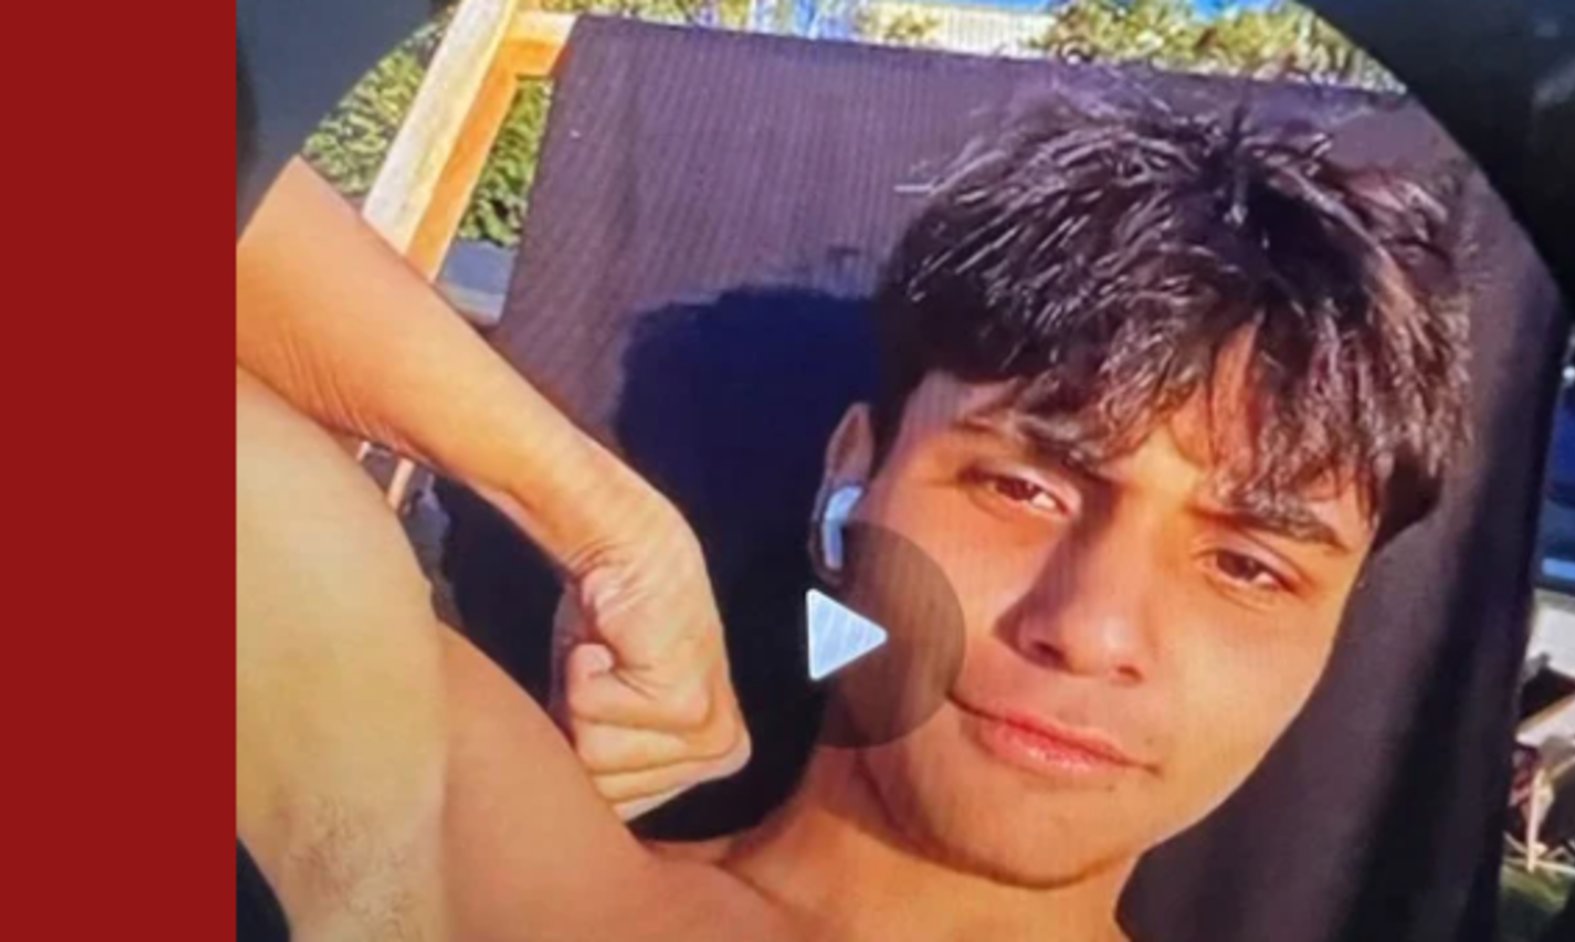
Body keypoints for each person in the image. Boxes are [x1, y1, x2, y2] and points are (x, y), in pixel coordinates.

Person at [237, 93, 1469, 941]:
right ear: (852, 479)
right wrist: (605, 519)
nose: (1092, 628)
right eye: (1024, 487)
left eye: (1248, 566)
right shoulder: (497, 872)